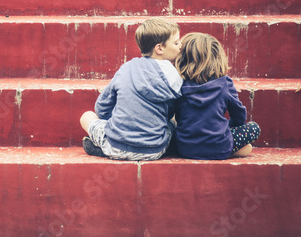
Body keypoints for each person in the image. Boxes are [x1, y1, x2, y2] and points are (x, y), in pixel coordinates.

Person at [79, 18, 183, 160]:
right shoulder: (174, 75)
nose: (181, 46)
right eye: (176, 43)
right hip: (154, 150)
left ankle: (103, 149)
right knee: (172, 122)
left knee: (86, 116)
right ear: (159, 48)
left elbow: (102, 108)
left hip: (115, 145)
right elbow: (171, 111)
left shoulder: (126, 68)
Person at [174, 32, 261, 160]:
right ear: (218, 58)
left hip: (185, 149)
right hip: (220, 145)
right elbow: (239, 115)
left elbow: (173, 113)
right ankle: (231, 149)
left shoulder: (178, 83)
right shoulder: (225, 83)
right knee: (254, 128)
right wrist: (226, 128)